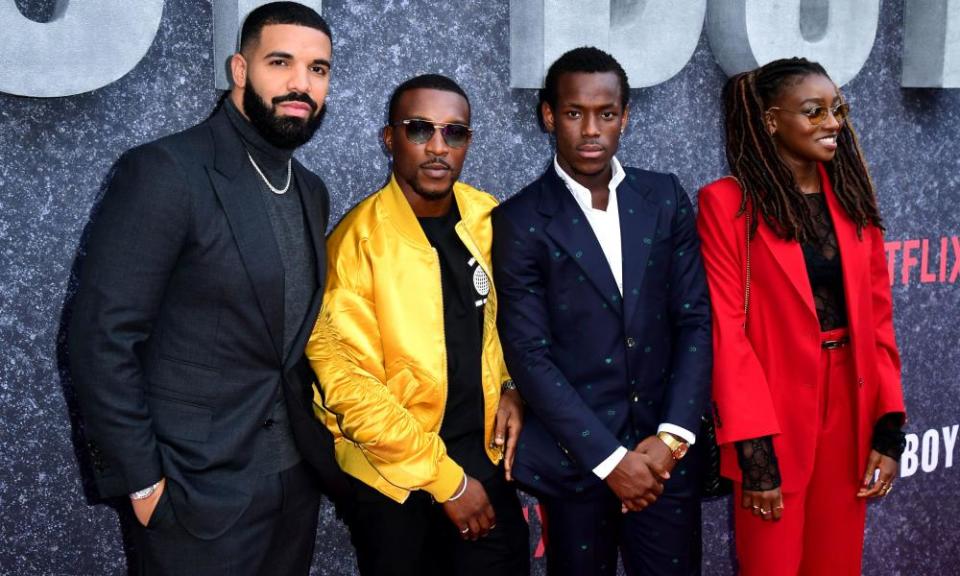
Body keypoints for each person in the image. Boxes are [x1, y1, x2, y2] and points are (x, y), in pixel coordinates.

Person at [68, 3, 347, 574]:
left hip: (292, 487)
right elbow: (100, 338)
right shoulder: (167, 170)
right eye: (281, 62)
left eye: (318, 69)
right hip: (192, 493)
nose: (301, 83)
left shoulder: (311, 190)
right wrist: (143, 483)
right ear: (240, 69)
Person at [492, 47, 711, 576]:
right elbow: (528, 353)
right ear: (549, 116)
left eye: (605, 113)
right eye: (574, 113)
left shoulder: (663, 196)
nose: (591, 129)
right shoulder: (520, 220)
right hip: (577, 468)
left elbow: (695, 320)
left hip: (666, 465)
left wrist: (671, 439)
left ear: (624, 116)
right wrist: (612, 463)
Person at [306, 74, 529, 576]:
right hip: (394, 483)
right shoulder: (354, 244)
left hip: (484, 464)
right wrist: (448, 483)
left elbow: (513, 325)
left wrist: (515, 387)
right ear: (390, 139)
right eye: (419, 129)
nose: (437, 147)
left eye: (454, 133)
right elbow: (350, 390)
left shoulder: (488, 216)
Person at [696, 57, 907, 576]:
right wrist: (755, 453)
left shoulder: (854, 200)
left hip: (852, 409)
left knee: (837, 565)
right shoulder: (727, 204)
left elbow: (879, 321)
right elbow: (728, 333)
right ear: (770, 121)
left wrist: (888, 426)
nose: (832, 122)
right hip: (773, 417)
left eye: (836, 109)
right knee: (772, 566)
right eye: (813, 112)